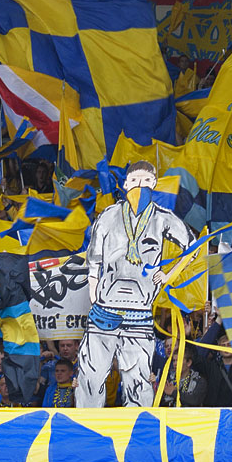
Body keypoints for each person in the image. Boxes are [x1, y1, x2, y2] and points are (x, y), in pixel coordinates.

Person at [75, 160, 193, 408]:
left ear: (154, 185)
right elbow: (94, 258)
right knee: (90, 378)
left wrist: (168, 275)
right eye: (135, 180)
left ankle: (138, 428)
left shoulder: (163, 218)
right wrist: (94, 294)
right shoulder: (108, 216)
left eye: (147, 181)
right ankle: (85, 426)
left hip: (139, 313)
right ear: (126, 184)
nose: (141, 185)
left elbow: (191, 248)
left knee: (138, 383)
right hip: (104, 310)